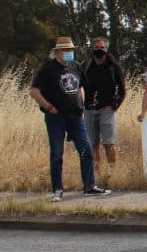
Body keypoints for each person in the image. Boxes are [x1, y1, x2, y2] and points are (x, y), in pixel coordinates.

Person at [29, 37, 111, 202]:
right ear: (57, 52)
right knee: (57, 154)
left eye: (71, 50)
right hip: (56, 117)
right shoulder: (48, 68)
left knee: (86, 150)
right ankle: (57, 190)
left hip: (75, 117)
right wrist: (49, 107)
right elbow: (34, 91)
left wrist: (80, 104)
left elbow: (80, 86)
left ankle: (89, 186)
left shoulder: (76, 66)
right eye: (65, 50)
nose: (69, 53)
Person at [81, 36, 126, 169]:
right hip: (89, 109)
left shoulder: (114, 67)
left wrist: (115, 106)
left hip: (107, 109)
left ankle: (112, 171)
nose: (99, 50)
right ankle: (97, 175)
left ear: (106, 50)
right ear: (92, 49)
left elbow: (122, 90)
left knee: (108, 143)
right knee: (92, 144)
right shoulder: (86, 66)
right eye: (96, 47)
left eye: (102, 48)